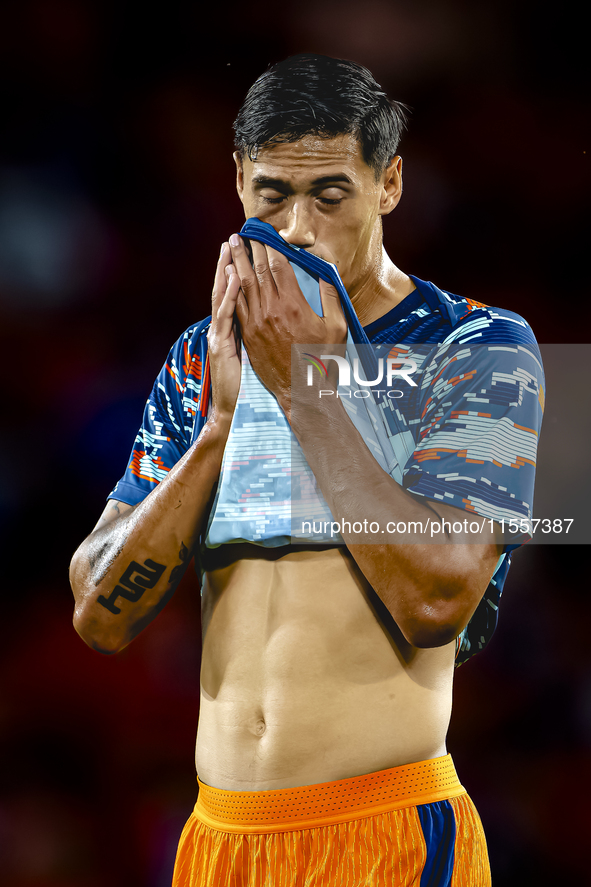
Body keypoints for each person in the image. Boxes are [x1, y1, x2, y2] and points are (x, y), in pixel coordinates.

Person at [70, 54, 544, 886]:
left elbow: (437, 600)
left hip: (384, 832)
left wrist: (307, 390)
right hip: (217, 838)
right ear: (236, 183)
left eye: (329, 195)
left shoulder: (483, 348)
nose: (294, 228)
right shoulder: (199, 356)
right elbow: (98, 615)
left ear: (388, 183)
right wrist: (218, 426)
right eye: (271, 195)